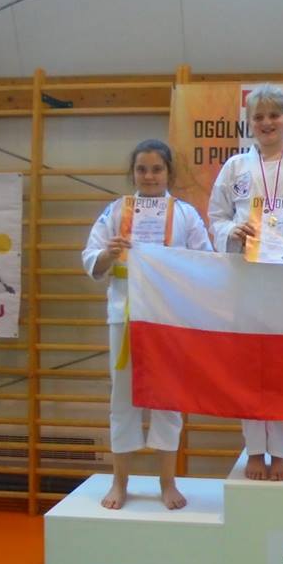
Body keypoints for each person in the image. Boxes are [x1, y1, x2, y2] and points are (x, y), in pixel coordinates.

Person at [82, 139, 212, 510]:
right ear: (133, 173)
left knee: (168, 399)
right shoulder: (116, 212)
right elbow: (91, 259)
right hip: (125, 313)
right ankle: (119, 482)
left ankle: (167, 482)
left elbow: (206, 261)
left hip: (168, 317)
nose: (150, 176)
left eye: (157, 169)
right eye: (142, 169)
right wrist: (108, 253)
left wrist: (174, 263)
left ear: (169, 172)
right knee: (122, 399)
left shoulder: (185, 214)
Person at [208, 83, 283, 481]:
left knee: (282, 368)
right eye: (258, 117)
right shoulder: (235, 167)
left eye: (274, 115)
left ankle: (281, 452)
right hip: (248, 279)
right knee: (250, 368)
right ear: (249, 124)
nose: (267, 123)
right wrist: (232, 231)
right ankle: (254, 450)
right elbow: (216, 216)